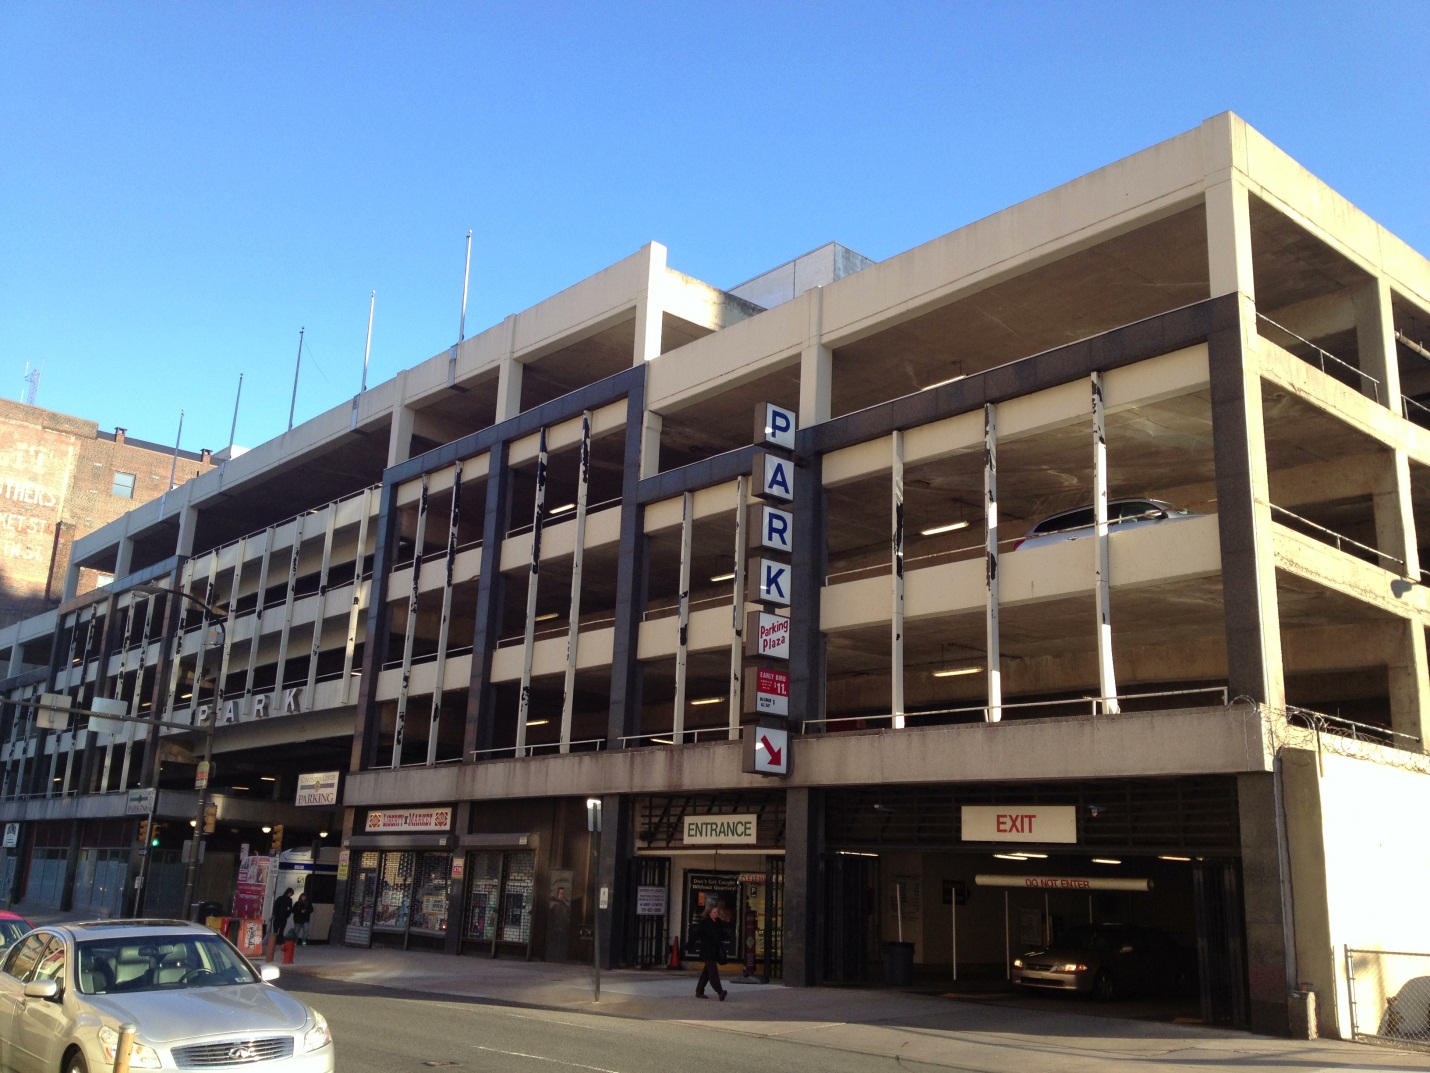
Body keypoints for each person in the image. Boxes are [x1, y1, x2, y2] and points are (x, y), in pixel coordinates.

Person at [695, 899, 729, 1000]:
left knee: (706, 973)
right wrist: (687, 946)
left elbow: (721, 935)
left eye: (717, 912)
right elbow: (696, 935)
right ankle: (720, 991)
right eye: (714, 912)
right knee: (713, 972)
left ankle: (699, 991)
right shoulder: (704, 923)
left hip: (715, 951)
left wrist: (727, 935)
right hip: (707, 951)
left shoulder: (718, 923)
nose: (716, 914)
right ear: (709, 913)